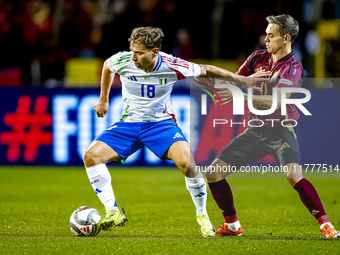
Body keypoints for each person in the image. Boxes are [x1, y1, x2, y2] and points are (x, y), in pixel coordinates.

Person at [82, 26, 268, 237]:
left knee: (188, 164)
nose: (133, 57)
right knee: (91, 156)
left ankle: (202, 216)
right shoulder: (123, 60)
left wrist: (241, 80)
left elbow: (205, 69)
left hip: (161, 125)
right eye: (132, 50)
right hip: (129, 124)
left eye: (139, 52)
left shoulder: (172, 65)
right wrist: (103, 99)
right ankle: (113, 211)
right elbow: (107, 66)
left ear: (154, 52)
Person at [206, 14, 339, 238]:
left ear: (286, 38)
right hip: (254, 130)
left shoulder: (294, 68)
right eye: (266, 34)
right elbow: (236, 80)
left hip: (281, 130)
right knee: (213, 173)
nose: (265, 39)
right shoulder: (257, 58)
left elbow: (276, 102)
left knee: (293, 176)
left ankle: (325, 224)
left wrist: (242, 97)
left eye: (271, 35)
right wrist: (212, 80)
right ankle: (232, 225)